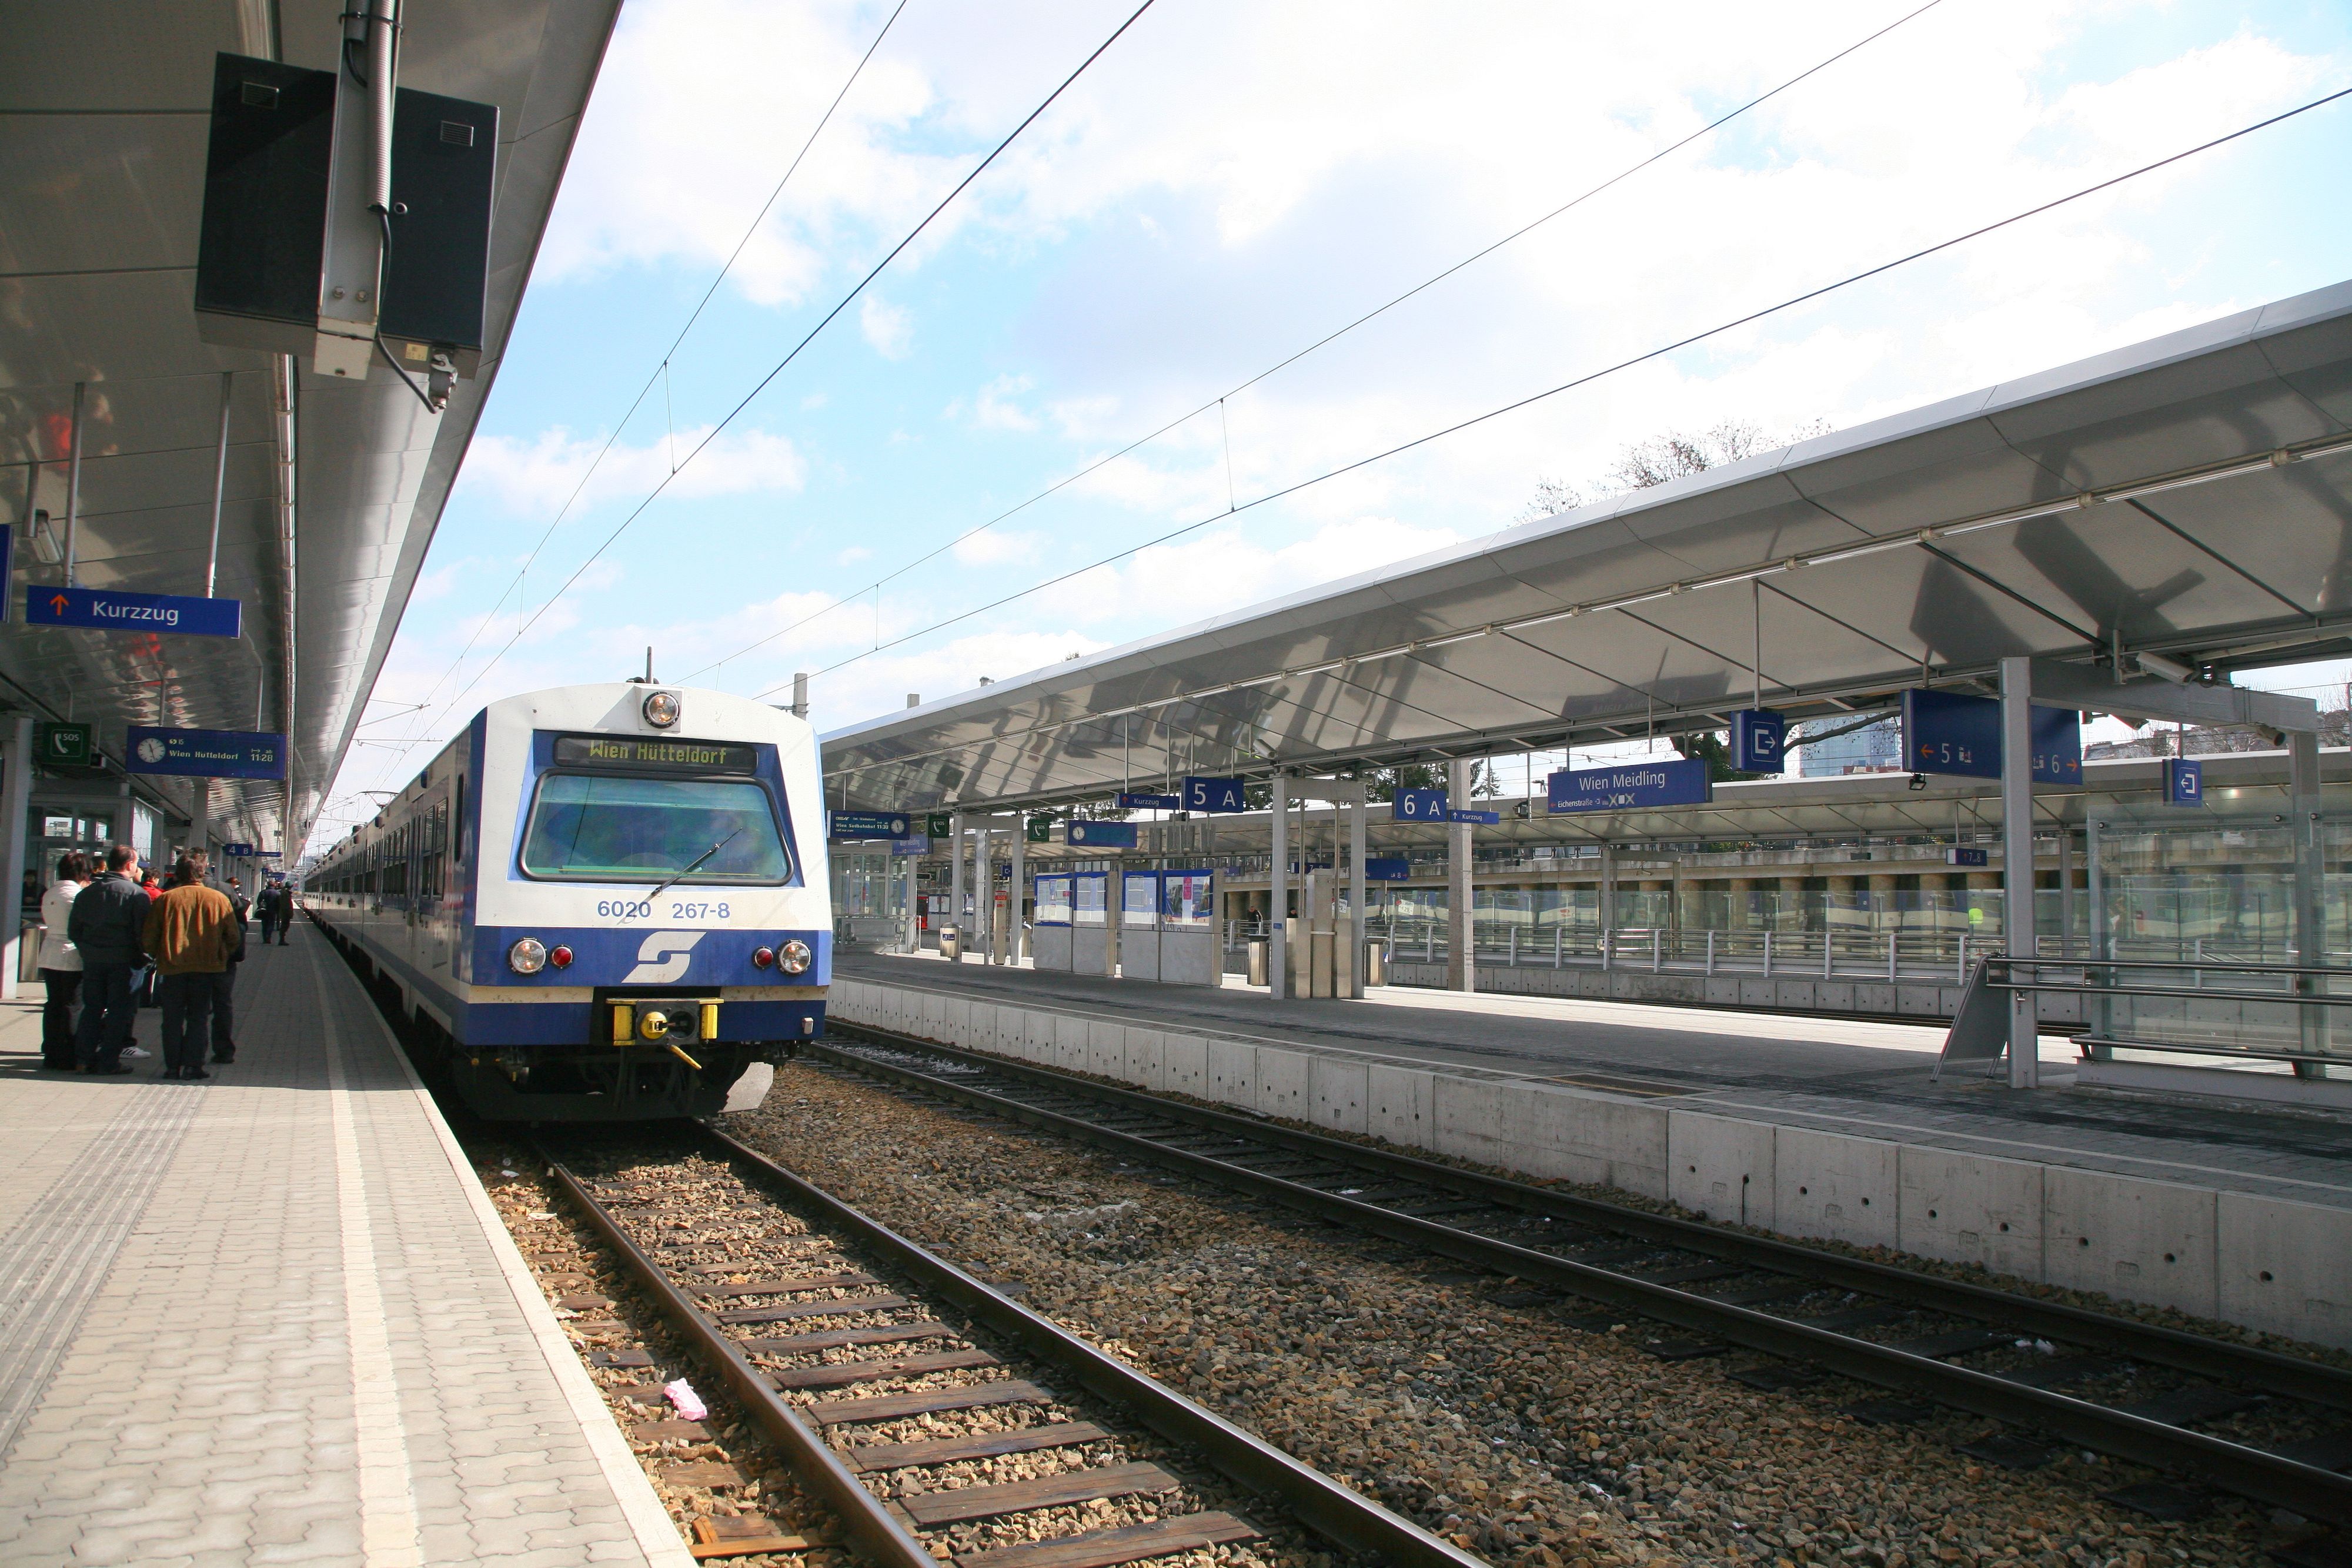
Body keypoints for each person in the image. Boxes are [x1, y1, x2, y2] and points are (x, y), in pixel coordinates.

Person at [143, 852, 237, 1081]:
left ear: (177, 875)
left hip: (173, 969)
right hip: (207, 970)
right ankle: (193, 1067)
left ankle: (172, 1067)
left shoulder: (166, 899)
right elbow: (233, 937)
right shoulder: (218, 899)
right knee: (198, 1018)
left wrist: (162, 954)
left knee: (172, 1020)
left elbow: (148, 939)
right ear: (202, 874)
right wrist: (220, 956)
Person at [69, 845, 152, 1075]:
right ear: (128, 865)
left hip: (93, 961)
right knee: (118, 1012)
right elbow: (142, 933)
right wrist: (143, 958)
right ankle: (109, 1061)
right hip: (123, 963)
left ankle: (83, 1060)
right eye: (136, 863)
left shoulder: (87, 893)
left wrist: (88, 951)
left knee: (91, 1009)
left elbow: (74, 930)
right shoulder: (137, 894)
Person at [37, 851, 92, 1069]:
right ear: (81, 872)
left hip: (49, 953)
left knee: (53, 1004)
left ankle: (51, 1051)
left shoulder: (50, 893)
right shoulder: (77, 895)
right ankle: (67, 1052)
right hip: (71, 954)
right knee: (71, 1005)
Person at [212, 874, 251, 1064]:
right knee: (222, 1005)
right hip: (221, 960)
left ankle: (179, 1059)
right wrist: (233, 952)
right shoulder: (225, 891)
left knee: (190, 1010)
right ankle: (223, 1052)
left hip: (181, 964)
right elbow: (239, 926)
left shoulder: (172, 893)